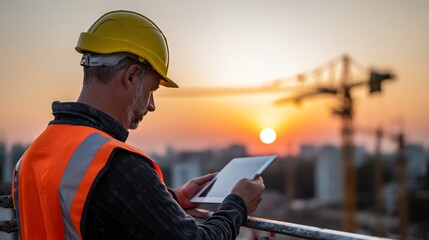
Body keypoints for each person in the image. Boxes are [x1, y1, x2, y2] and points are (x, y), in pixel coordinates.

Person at [12, 10, 265, 240]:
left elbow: (90, 210)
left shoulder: (33, 155)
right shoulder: (117, 165)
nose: (151, 105)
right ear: (130, 76)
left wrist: (169, 199)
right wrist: (237, 204)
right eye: (151, 89)